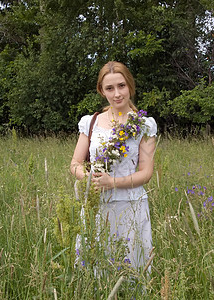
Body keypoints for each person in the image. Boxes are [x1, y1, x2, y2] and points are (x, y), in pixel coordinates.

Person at [70, 61, 157, 270]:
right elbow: (75, 164)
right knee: (95, 266)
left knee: (130, 267)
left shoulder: (144, 125)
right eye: (110, 88)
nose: (117, 93)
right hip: (96, 206)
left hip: (131, 205)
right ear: (102, 91)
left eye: (121, 86)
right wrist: (90, 178)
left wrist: (114, 182)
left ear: (130, 86)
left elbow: (146, 173)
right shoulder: (90, 122)